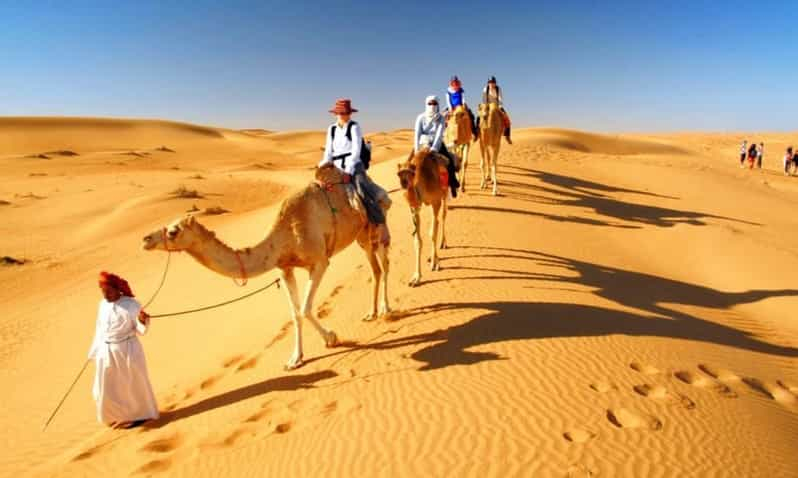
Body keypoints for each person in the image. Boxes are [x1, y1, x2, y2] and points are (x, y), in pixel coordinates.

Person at [88, 272, 159, 428]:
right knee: (106, 387)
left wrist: (142, 320)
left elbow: (140, 330)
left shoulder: (132, 305)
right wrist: (95, 351)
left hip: (127, 350)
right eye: (103, 291)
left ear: (117, 289)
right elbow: (100, 329)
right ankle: (115, 416)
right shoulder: (102, 305)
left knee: (131, 384)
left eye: (108, 291)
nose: (105, 294)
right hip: (106, 351)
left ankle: (139, 415)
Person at [319, 98, 391, 245]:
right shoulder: (331, 129)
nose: (343, 115)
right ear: (336, 114)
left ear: (349, 113)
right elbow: (328, 151)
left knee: (362, 190)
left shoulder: (354, 127)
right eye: (340, 113)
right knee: (321, 190)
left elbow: (356, 150)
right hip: (335, 166)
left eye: (345, 113)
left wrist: (348, 171)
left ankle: (381, 223)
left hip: (353, 165)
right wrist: (323, 168)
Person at [414, 95, 460, 197]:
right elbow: (417, 133)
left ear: (438, 105)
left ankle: (452, 183)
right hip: (422, 144)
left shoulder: (441, 119)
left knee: (449, 161)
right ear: (426, 104)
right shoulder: (420, 118)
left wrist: (434, 148)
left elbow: (439, 134)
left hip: (437, 144)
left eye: (434, 103)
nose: (432, 105)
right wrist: (417, 149)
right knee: (410, 164)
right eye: (430, 103)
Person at [480, 76, 512, 144]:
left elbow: (500, 98)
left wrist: (500, 106)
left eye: (492, 82)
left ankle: (507, 136)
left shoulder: (498, 89)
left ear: (495, 83)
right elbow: (484, 99)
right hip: (487, 105)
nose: (491, 84)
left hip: (496, 106)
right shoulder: (486, 89)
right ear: (488, 83)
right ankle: (477, 134)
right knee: (479, 117)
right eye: (490, 82)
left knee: (507, 119)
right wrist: (485, 106)